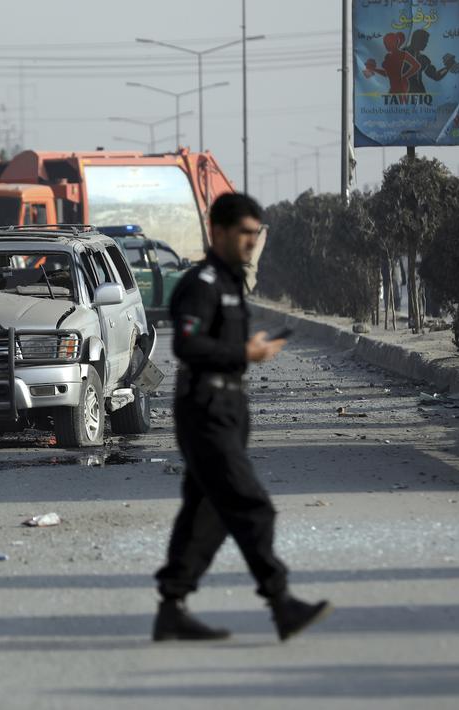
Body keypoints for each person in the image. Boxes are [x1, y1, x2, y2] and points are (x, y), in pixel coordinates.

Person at [153, 193, 331, 643]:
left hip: (227, 408)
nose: (252, 242)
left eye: (256, 233)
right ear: (219, 231)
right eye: (244, 233)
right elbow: (186, 347)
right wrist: (244, 351)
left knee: (207, 511)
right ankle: (281, 601)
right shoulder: (202, 282)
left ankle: (172, 607)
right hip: (205, 410)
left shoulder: (231, 284)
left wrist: (252, 351)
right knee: (253, 508)